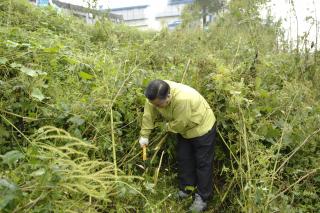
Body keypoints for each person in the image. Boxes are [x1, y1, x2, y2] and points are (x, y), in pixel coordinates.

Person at [139, 79, 217, 212]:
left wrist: (165, 127)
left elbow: (180, 123)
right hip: (184, 131)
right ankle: (186, 189)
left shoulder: (182, 99)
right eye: (154, 104)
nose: (156, 107)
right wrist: (144, 135)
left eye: (159, 105)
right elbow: (148, 115)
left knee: (203, 163)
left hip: (202, 128)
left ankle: (202, 198)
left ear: (168, 97)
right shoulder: (153, 95)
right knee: (184, 158)